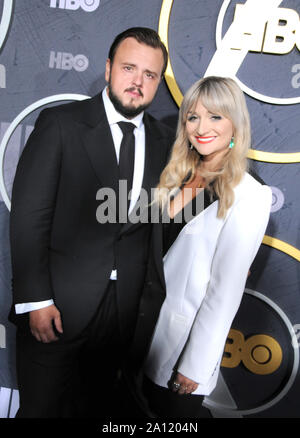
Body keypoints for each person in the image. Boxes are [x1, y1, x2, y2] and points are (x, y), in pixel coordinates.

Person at [9, 27, 174, 418]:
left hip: (122, 319)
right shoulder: (61, 124)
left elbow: (158, 221)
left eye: (150, 75)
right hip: (56, 310)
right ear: (107, 69)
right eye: (129, 68)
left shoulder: (165, 141)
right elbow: (30, 217)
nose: (138, 82)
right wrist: (36, 300)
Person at [131, 76, 272, 418]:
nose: (202, 127)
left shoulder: (249, 194)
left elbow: (224, 292)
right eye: (193, 117)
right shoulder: (173, 174)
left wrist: (195, 365)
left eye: (215, 117)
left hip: (178, 345)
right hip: (134, 333)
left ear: (235, 123)